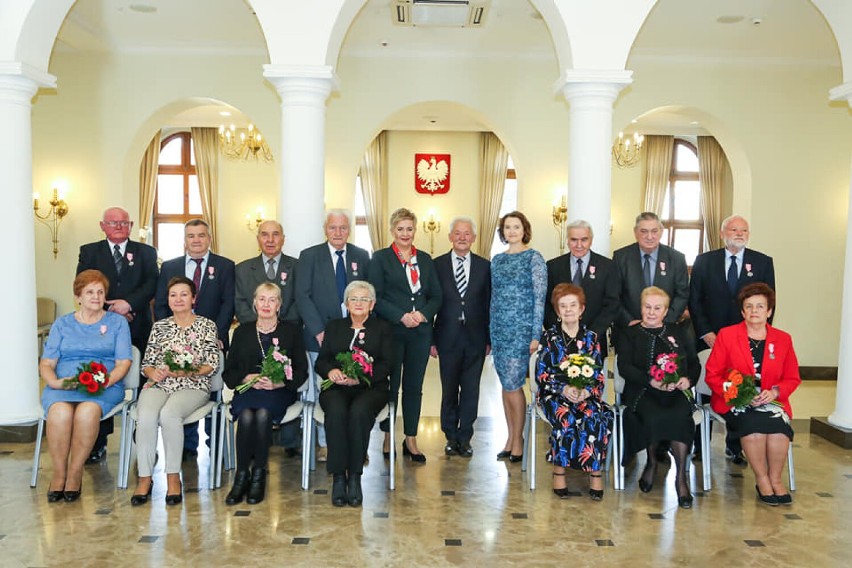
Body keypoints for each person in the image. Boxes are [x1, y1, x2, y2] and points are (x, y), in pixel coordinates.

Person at [38, 270, 132, 502]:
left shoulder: (117, 323)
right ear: (78, 296)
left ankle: (76, 472)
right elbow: (47, 363)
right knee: (59, 412)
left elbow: (123, 363)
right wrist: (53, 382)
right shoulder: (63, 324)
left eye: (100, 292)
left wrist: (104, 381)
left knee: (87, 412)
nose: (96, 296)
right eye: (90, 292)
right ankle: (59, 473)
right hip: (64, 385)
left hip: (104, 385)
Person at [689, 215, 775, 463]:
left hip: (746, 340)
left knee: (742, 387)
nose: (739, 233)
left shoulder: (762, 262)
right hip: (709, 337)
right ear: (722, 232)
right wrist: (706, 333)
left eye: (744, 230)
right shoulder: (705, 261)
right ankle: (699, 444)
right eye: (734, 229)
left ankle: (735, 445)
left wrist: (756, 337)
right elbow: (695, 300)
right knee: (706, 389)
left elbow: (769, 302)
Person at [704, 283, 800, 506]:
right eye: (749, 306)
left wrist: (775, 391)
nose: (754, 311)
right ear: (742, 311)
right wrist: (739, 394)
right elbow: (712, 375)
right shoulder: (727, 336)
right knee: (753, 424)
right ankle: (762, 479)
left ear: (769, 311)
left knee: (778, 429)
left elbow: (792, 377)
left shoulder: (783, 339)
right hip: (736, 400)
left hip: (772, 399)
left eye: (760, 306)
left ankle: (776, 480)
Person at [77, 206, 158, 463]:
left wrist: (128, 304)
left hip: (138, 327)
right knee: (101, 380)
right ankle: (97, 442)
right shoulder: (90, 251)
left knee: (145, 385)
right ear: (102, 226)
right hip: (102, 328)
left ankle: (142, 440)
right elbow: (83, 284)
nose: (119, 226)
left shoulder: (146, 252)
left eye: (124, 222)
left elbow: (152, 283)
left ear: (131, 225)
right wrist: (113, 310)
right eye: (113, 222)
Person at [131, 276, 220, 507]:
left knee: (169, 414)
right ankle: (144, 478)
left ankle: (173, 478)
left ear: (193, 298)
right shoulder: (160, 326)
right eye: (173, 295)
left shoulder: (206, 325)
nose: (178, 299)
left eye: (184, 294)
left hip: (193, 384)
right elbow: (147, 363)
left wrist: (187, 370)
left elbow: (212, 363)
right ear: (167, 300)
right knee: (147, 415)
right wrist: (153, 373)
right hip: (160, 383)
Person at [155, 218, 235, 460]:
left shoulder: (225, 265)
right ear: (185, 240)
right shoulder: (170, 266)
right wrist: (169, 339)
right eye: (191, 236)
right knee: (182, 388)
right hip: (177, 343)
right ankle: (188, 446)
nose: (197, 240)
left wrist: (217, 336)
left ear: (209, 238)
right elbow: (161, 304)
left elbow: (227, 304)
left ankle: (215, 443)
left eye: (201, 235)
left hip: (212, 342)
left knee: (211, 391)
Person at [295, 209, 371, 462]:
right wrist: (319, 331)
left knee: (355, 388)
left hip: (354, 337)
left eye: (343, 228)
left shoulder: (361, 256)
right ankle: (326, 444)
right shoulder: (309, 256)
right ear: (325, 229)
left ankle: (356, 443)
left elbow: (367, 296)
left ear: (349, 230)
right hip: (319, 337)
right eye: (333, 228)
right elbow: (302, 296)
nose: (338, 233)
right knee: (323, 390)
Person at [223, 282, 308, 505]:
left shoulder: (291, 331)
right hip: (249, 390)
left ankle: (258, 475)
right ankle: (242, 476)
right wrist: (246, 378)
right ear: (254, 303)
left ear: (279, 304)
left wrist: (280, 382)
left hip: (279, 392)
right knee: (248, 415)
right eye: (262, 299)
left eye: (272, 300)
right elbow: (229, 372)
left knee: (261, 414)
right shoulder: (241, 332)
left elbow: (301, 371)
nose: (266, 304)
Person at [616, 286, 699, 509]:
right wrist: (649, 380)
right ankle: (652, 463)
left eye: (657, 308)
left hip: (676, 391)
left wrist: (687, 380)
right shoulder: (629, 333)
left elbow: (693, 363)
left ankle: (681, 477)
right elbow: (624, 366)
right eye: (647, 307)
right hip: (643, 391)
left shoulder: (679, 331)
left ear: (666, 311)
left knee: (681, 416)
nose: (652, 313)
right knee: (654, 415)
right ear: (640, 308)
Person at [369, 207, 441, 463]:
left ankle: (411, 437)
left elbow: (436, 296)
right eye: (400, 229)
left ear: (415, 230)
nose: (405, 233)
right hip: (391, 331)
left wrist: (421, 315)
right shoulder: (380, 259)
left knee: (414, 386)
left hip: (420, 333)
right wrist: (401, 315)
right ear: (392, 230)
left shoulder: (425, 259)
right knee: (391, 386)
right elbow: (375, 296)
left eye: (409, 229)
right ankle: (389, 435)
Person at [316, 281, 392, 507]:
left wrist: (360, 378)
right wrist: (332, 371)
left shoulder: (383, 328)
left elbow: (388, 364)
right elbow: (321, 361)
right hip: (337, 387)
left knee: (359, 412)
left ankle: (355, 477)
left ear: (372, 304)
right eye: (354, 299)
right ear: (346, 303)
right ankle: (339, 477)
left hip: (371, 387)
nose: (358, 303)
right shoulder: (334, 327)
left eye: (364, 299)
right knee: (337, 412)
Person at [536, 284, 613, 500]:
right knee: (566, 416)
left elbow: (598, 374)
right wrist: (564, 388)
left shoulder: (591, 338)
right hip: (554, 394)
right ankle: (559, 472)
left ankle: (595, 472)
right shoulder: (549, 338)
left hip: (585, 395)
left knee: (595, 415)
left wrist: (588, 392)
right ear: (557, 311)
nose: (568, 310)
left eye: (573, 305)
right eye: (563, 306)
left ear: (581, 309)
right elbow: (541, 375)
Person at [235, 220, 301, 455]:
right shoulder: (243, 269)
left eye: (275, 235)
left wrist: (280, 326)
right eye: (265, 235)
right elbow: (241, 302)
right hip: (253, 337)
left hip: (287, 335)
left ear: (283, 238)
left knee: (286, 381)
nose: (270, 240)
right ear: (258, 239)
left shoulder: (297, 266)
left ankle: (290, 442)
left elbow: (297, 301)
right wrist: (257, 325)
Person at [431, 217, 491, 457]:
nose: (462, 237)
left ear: (474, 238)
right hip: (446, 337)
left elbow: (489, 304)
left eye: (467, 233)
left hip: (476, 339)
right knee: (448, 390)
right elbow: (431, 302)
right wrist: (431, 340)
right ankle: (450, 436)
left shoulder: (485, 266)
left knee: (471, 389)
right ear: (450, 237)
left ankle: (465, 436)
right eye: (458, 233)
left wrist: (489, 340)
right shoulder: (437, 265)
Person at [490, 211, 546, 462]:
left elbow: (539, 299)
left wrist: (536, 334)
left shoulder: (534, 258)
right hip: (500, 331)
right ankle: (510, 438)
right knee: (506, 386)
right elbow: (493, 299)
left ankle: (519, 439)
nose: (512, 231)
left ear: (525, 230)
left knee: (514, 385)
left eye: (516, 227)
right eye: (507, 227)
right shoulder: (497, 260)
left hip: (522, 332)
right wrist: (490, 333)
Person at [545, 219, 620, 357]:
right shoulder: (553, 266)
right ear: (567, 240)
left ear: (591, 240)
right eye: (574, 239)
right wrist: (558, 331)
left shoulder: (607, 267)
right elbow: (547, 304)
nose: (579, 245)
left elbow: (612, 304)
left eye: (584, 239)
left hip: (594, 340)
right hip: (560, 341)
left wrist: (592, 333)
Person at [612, 212, 689, 334]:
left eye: (654, 231)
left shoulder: (676, 258)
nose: (649, 236)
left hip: (666, 329)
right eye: (644, 231)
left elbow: (682, 294)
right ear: (635, 232)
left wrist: (663, 322)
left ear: (661, 232)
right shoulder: (621, 257)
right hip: (629, 329)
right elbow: (614, 295)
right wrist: (629, 321)